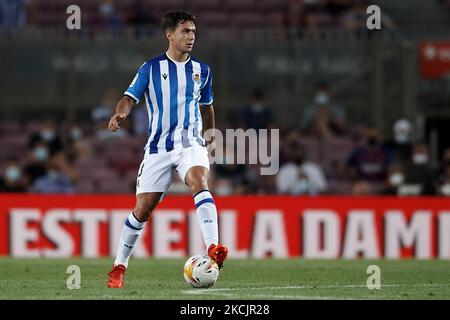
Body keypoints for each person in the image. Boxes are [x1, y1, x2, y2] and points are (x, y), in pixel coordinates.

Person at [106, 11, 228, 288]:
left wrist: (209, 137)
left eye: (194, 32)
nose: (191, 37)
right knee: (143, 209)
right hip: (158, 147)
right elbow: (128, 98)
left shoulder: (202, 71)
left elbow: (207, 107)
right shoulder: (151, 68)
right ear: (169, 34)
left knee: (199, 180)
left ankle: (214, 249)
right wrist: (120, 114)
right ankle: (119, 266)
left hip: (190, 144)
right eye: (185, 31)